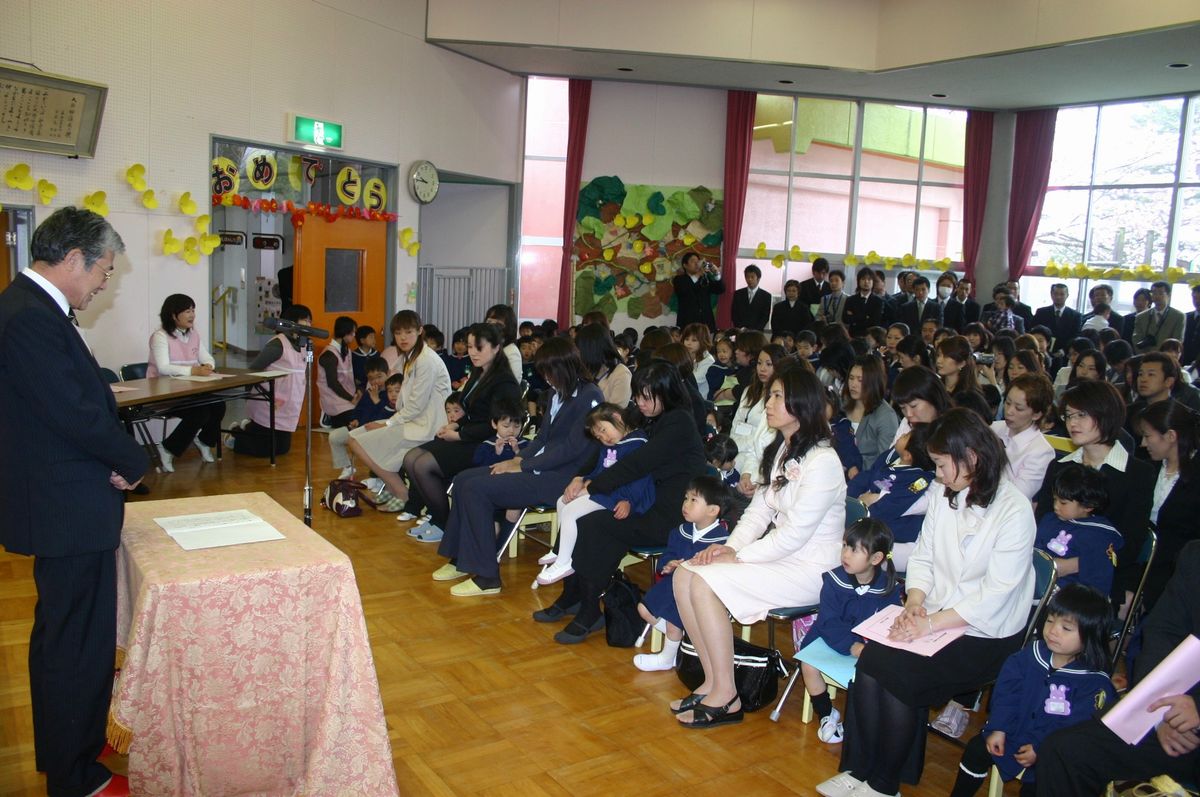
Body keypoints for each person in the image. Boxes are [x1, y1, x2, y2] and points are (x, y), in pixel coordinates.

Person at [0, 206, 149, 796]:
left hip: (67, 501)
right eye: (102, 271)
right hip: (65, 509)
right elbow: (74, 414)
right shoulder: (30, 319)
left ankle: (74, 753)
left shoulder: (31, 309)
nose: (104, 282)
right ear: (71, 260)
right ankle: (74, 775)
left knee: (71, 638)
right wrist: (133, 461)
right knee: (73, 644)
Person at [825, 409, 1038, 797]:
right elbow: (923, 555)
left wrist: (930, 622)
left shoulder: (1014, 511)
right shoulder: (945, 493)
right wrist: (916, 600)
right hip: (937, 615)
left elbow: (996, 594)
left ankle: (885, 784)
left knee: (903, 674)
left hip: (986, 631)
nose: (936, 474)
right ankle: (859, 770)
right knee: (872, 661)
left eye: (941, 464)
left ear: (971, 458)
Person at [669, 367, 845, 728]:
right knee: (685, 573)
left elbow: (794, 535)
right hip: (779, 557)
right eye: (771, 395)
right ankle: (712, 681)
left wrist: (738, 556)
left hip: (810, 570)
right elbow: (759, 511)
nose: (769, 402)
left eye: (778, 395)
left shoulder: (824, 462)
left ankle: (727, 696)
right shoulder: (783, 449)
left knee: (703, 582)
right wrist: (728, 548)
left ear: (803, 404)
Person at [537, 361, 706, 643]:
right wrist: (581, 476)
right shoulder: (651, 416)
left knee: (593, 524)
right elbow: (607, 446)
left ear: (666, 393)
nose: (638, 403)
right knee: (585, 518)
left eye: (645, 397)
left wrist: (593, 486)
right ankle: (575, 596)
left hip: (668, 512)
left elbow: (639, 464)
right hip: (641, 501)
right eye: (637, 395)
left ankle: (588, 608)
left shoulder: (679, 422)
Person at [433, 337, 602, 596]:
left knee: (476, 489)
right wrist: (517, 459)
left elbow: (572, 449)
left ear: (564, 366)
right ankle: (461, 559)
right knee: (464, 479)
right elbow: (544, 438)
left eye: (548, 371)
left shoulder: (590, 395)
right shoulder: (558, 392)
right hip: (541, 468)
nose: (545, 377)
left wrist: (524, 467)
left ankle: (487, 577)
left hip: (563, 478)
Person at [1035, 541, 1200, 796]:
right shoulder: (1195, 556)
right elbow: (1162, 633)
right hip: (1173, 715)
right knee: (1065, 752)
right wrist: (1162, 710)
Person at [950, 585, 1116, 797]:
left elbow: (1076, 730)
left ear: (1091, 635)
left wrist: (1040, 748)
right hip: (1013, 734)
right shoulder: (1029, 656)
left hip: (1052, 753)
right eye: (1050, 620)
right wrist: (999, 728)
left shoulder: (1094, 684)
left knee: (1039, 787)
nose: (1053, 631)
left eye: (1066, 628)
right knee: (976, 749)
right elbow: (1007, 696)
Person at [1035, 380, 1154, 606]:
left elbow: (1130, 544)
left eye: (1081, 415)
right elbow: (1042, 519)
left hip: (1104, 573)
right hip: (1050, 563)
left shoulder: (1137, 473)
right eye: (1068, 416)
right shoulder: (1060, 466)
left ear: (1106, 415)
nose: (1072, 423)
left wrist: (1070, 565)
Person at [400, 322, 521, 541]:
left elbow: (496, 424)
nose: (472, 352)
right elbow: (473, 411)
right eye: (470, 347)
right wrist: (455, 424)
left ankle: (443, 523)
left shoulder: (504, 382)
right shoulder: (479, 372)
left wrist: (460, 434)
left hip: (486, 445)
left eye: (478, 348)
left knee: (423, 465)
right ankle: (438, 517)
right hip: (468, 436)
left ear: (495, 348)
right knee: (410, 459)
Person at [798, 519, 902, 744]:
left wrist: (869, 648)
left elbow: (888, 623)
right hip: (830, 638)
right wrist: (852, 646)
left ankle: (863, 723)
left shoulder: (889, 587)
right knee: (808, 665)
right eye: (845, 545)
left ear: (876, 559)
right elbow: (828, 622)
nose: (846, 554)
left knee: (876, 672)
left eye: (855, 550)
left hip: (867, 647)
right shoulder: (834, 581)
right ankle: (826, 712)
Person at [536, 403, 655, 585]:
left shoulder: (638, 443)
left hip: (619, 497)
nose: (604, 438)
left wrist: (628, 501)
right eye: (599, 436)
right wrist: (583, 481)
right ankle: (561, 549)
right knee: (562, 502)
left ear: (617, 417)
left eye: (604, 430)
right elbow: (599, 469)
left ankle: (564, 562)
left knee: (570, 511)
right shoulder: (611, 445)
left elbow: (641, 480)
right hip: (605, 492)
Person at [347, 310, 453, 511]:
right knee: (354, 438)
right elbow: (396, 386)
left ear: (420, 331)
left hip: (428, 425)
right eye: (398, 333)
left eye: (408, 332)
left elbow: (415, 406)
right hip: (413, 421)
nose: (403, 338)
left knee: (359, 439)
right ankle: (394, 487)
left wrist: (386, 422)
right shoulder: (410, 356)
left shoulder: (426, 360)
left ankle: (399, 491)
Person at [633, 475, 733, 672]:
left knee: (672, 620)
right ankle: (685, 636)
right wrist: (668, 564)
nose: (685, 504)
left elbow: (722, 572)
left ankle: (667, 657)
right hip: (672, 584)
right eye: (685, 498)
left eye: (693, 500)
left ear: (713, 510)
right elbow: (667, 555)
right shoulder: (680, 531)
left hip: (698, 593)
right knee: (643, 609)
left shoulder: (723, 541)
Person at [147, 292, 225, 472]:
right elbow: (163, 368)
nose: (192, 315)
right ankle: (167, 448)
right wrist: (193, 370)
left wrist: (207, 365)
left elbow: (206, 357)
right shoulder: (160, 336)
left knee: (218, 404)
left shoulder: (193, 334)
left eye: (193, 310)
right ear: (174, 315)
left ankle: (204, 441)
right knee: (200, 411)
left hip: (189, 391)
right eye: (187, 311)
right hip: (164, 393)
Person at [226, 303, 315, 458]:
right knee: (267, 449)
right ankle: (235, 436)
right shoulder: (277, 344)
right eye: (304, 320)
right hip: (269, 403)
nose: (308, 324)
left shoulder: (304, 345)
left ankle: (248, 428)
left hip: (288, 406)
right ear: (291, 322)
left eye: (310, 321)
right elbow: (254, 370)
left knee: (282, 448)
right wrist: (250, 395)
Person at [1135, 399, 1200, 607]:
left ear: (1171, 436)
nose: (1143, 444)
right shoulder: (1147, 469)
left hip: (1177, 575)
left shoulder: (1196, 476)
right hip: (1143, 566)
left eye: (1147, 436)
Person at [847, 424, 937, 569]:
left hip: (895, 538)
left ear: (908, 455)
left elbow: (895, 504)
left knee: (855, 554)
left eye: (906, 436)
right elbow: (867, 476)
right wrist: (847, 499)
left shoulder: (920, 479)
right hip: (867, 523)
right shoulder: (891, 457)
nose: (902, 435)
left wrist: (862, 513)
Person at [1035, 464, 1123, 596]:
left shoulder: (1099, 535)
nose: (1055, 506)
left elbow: (1098, 583)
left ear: (1088, 506)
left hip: (1068, 598)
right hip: (1036, 582)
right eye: (1055, 499)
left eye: (1063, 503)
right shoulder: (1050, 519)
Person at [328, 361, 397, 479]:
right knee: (334, 437)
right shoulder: (367, 393)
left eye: (379, 377)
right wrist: (354, 419)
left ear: (388, 374)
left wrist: (376, 401)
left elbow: (383, 418)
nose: (375, 381)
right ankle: (347, 467)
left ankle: (378, 477)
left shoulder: (391, 394)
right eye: (371, 378)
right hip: (359, 429)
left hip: (376, 433)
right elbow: (358, 410)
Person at [843, 354, 898, 470]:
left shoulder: (886, 416)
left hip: (865, 479)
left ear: (873, 382)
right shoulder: (843, 406)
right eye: (851, 378)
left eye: (860, 380)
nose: (853, 384)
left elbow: (884, 461)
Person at [316, 315, 361, 430]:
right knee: (355, 423)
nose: (354, 336)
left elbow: (350, 377)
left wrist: (358, 392)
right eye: (352, 333)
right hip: (335, 400)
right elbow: (332, 383)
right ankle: (328, 415)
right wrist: (351, 398)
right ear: (345, 332)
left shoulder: (347, 351)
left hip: (349, 397)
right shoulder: (329, 354)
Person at [575, 322, 632, 407]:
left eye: (580, 350)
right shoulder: (587, 369)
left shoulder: (621, 374)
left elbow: (615, 413)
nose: (577, 354)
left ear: (591, 351)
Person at [672, 252, 724, 332]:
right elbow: (685, 290)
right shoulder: (679, 279)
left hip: (706, 323)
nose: (697, 263)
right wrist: (699, 273)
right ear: (685, 265)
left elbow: (720, 290)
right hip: (688, 323)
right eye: (693, 261)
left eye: (698, 261)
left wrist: (716, 273)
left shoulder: (704, 278)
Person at [1133, 281, 1185, 353]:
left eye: (1160, 293)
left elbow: (1177, 341)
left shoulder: (1178, 316)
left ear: (1169, 295)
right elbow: (1136, 339)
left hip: (1167, 358)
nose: (1157, 296)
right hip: (1145, 358)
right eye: (1154, 293)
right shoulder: (1141, 316)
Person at [1032, 283, 1082, 354]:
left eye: (1062, 294)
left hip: (1065, 354)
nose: (1058, 297)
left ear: (1067, 295)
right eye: (1056, 294)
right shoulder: (1041, 312)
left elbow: (1075, 336)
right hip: (1042, 352)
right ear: (1051, 294)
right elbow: (1034, 331)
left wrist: (1064, 350)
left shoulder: (1076, 316)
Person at [935, 335, 983, 400]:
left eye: (946, 356)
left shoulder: (969, 395)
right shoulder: (935, 387)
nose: (938, 360)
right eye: (938, 355)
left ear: (962, 364)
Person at [484, 304, 524, 379]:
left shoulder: (511, 352)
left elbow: (510, 384)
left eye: (498, 324)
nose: (491, 326)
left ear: (509, 327)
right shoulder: (485, 347)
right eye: (489, 322)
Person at [843, 269, 884, 337]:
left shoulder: (878, 301)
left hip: (870, 336)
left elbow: (875, 321)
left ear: (873, 282)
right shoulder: (850, 299)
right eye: (863, 279)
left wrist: (855, 318)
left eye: (869, 279)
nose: (866, 282)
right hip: (853, 335)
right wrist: (865, 317)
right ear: (858, 281)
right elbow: (845, 319)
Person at [731, 264, 771, 331]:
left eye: (752, 277)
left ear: (758, 279)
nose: (749, 279)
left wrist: (754, 330)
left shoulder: (766, 296)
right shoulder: (738, 294)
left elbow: (765, 317)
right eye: (747, 277)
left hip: (757, 333)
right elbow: (734, 313)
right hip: (740, 331)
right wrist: (742, 328)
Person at [351, 324, 378, 389]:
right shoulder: (354, 356)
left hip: (375, 386)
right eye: (371, 337)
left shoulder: (377, 354)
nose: (374, 340)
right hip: (359, 388)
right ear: (362, 340)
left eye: (374, 337)